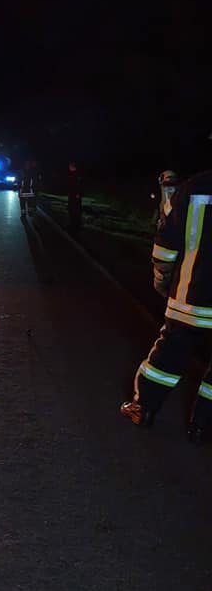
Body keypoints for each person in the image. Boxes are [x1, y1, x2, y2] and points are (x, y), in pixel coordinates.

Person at [120, 168, 212, 442]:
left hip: (191, 297)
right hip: (192, 296)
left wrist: (162, 280)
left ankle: (143, 409)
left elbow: (164, 247)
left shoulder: (193, 188)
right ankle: (202, 429)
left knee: (168, 357)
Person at [66, 162, 82, 229]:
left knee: (74, 210)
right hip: (71, 195)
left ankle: (75, 224)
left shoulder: (76, 175)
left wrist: (78, 194)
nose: (69, 168)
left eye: (70, 166)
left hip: (75, 196)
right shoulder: (72, 174)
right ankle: (73, 224)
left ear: (73, 167)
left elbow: (78, 185)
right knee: (71, 210)